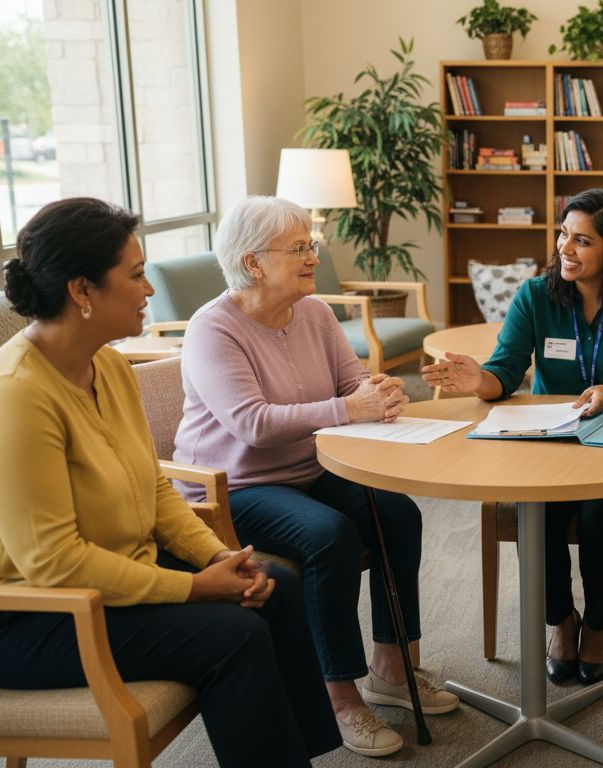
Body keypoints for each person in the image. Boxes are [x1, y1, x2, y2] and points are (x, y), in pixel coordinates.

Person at [0, 197, 340, 767]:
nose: (149, 289)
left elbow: (152, 489)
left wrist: (218, 557)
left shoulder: (105, 366)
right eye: (134, 275)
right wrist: (197, 588)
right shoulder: (14, 396)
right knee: (233, 634)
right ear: (82, 291)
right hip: (21, 618)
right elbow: (54, 564)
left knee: (274, 586)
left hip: (113, 575)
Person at [173, 196, 457, 759]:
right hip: (234, 489)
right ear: (252, 263)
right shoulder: (214, 329)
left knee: (398, 512)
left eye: (311, 245)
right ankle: (339, 696)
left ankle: (392, 668)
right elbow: (252, 425)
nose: (312, 256)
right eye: (298, 248)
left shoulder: (316, 312)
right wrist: (350, 409)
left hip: (310, 465)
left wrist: (381, 393)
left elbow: (351, 387)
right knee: (329, 536)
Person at [422, 188, 603, 685]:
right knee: (539, 511)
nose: (564, 249)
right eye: (562, 234)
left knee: (602, 514)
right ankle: (561, 620)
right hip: (553, 440)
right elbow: (505, 369)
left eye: (582, 241)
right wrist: (479, 382)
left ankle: (596, 623)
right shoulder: (536, 295)